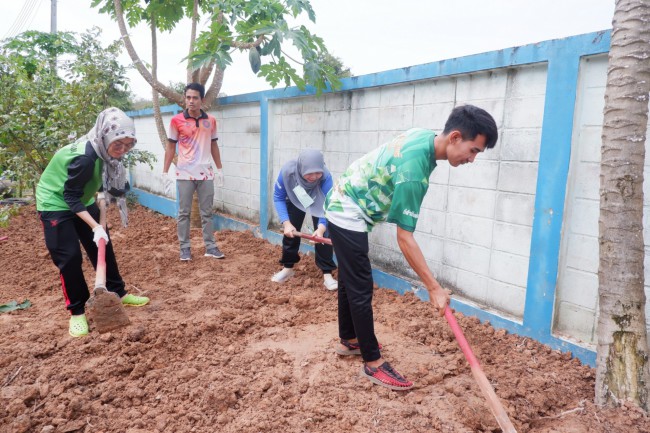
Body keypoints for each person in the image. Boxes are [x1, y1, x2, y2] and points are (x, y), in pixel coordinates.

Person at [325, 105, 498, 390]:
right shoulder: (414, 172)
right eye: (474, 150)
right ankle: (373, 363)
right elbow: (404, 238)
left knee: (350, 279)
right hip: (348, 210)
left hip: (346, 198)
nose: (472, 159)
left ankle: (350, 339)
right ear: (455, 137)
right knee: (360, 286)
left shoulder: (424, 137)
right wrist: (433, 287)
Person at [36, 107, 150, 338]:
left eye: (128, 145)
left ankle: (117, 292)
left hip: (81, 198)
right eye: (118, 143)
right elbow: (68, 196)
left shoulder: (103, 152)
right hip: (55, 202)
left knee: (102, 245)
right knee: (69, 258)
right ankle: (77, 311)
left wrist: (100, 213)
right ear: (105, 136)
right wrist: (95, 225)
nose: (122, 150)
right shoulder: (86, 157)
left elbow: (99, 182)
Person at [162, 83, 225, 261]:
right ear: (185, 98)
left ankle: (210, 247)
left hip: (206, 174)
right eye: (188, 97)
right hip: (184, 174)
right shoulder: (176, 121)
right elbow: (170, 147)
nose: (191, 101)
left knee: (207, 212)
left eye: (195, 97)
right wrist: (165, 172)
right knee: (183, 212)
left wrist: (219, 169)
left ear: (201, 100)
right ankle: (185, 249)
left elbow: (213, 145)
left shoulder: (210, 121)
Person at [272, 149, 338, 290]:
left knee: (324, 234)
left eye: (318, 172)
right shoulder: (287, 173)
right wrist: (286, 223)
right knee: (290, 231)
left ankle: (327, 274)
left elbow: (328, 205)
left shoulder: (325, 177)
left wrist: (320, 229)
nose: (314, 177)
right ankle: (288, 268)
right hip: (295, 197)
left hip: (320, 200)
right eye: (310, 173)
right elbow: (278, 197)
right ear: (301, 169)